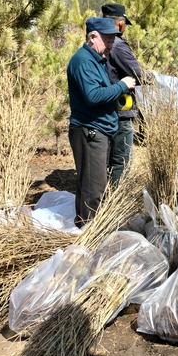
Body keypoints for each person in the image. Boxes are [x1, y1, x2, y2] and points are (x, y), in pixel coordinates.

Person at [67, 17, 136, 226]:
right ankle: (90, 233)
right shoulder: (83, 61)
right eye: (107, 38)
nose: (111, 43)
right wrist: (122, 86)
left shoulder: (97, 60)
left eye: (113, 38)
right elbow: (93, 96)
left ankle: (83, 224)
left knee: (90, 183)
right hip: (90, 131)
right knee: (94, 188)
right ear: (92, 37)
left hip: (99, 129)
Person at [102, 3, 153, 186]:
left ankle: (107, 191)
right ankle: (116, 197)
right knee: (122, 157)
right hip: (122, 105)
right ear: (120, 23)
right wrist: (152, 77)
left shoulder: (100, 41)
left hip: (106, 103)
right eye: (124, 23)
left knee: (109, 155)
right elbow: (138, 74)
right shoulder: (117, 45)